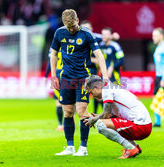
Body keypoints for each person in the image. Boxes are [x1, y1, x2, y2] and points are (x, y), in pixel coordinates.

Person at [50, 9, 108, 156]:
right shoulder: (59, 33)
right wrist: (53, 76)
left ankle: (83, 148)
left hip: (83, 79)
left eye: (73, 26)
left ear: (77, 20)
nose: (71, 30)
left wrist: (106, 77)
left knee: (82, 112)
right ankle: (69, 147)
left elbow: (99, 56)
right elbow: (54, 54)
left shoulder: (87, 34)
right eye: (68, 28)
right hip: (65, 78)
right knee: (68, 112)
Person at [84, 75, 152, 159]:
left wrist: (95, 119)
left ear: (96, 87)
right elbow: (109, 115)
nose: (92, 95)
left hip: (141, 126)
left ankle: (130, 148)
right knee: (103, 121)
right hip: (144, 125)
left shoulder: (106, 90)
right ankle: (134, 147)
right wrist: (99, 117)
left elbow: (106, 113)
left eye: (91, 92)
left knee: (100, 125)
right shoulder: (111, 88)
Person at [80, 21, 120, 114]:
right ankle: (79, 115)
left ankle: (104, 114)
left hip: (94, 70)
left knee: (99, 92)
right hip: (80, 70)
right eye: (84, 28)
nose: (87, 30)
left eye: (88, 28)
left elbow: (104, 37)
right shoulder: (77, 38)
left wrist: (113, 36)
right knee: (81, 93)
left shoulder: (95, 38)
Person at [45, 48, 64, 131]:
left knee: (58, 102)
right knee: (71, 101)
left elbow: (50, 62)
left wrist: (46, 75)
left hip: (57, 77)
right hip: (68, 76)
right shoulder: (68, 45)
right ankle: (72, 117)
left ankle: (60, 125)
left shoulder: (54, 48)